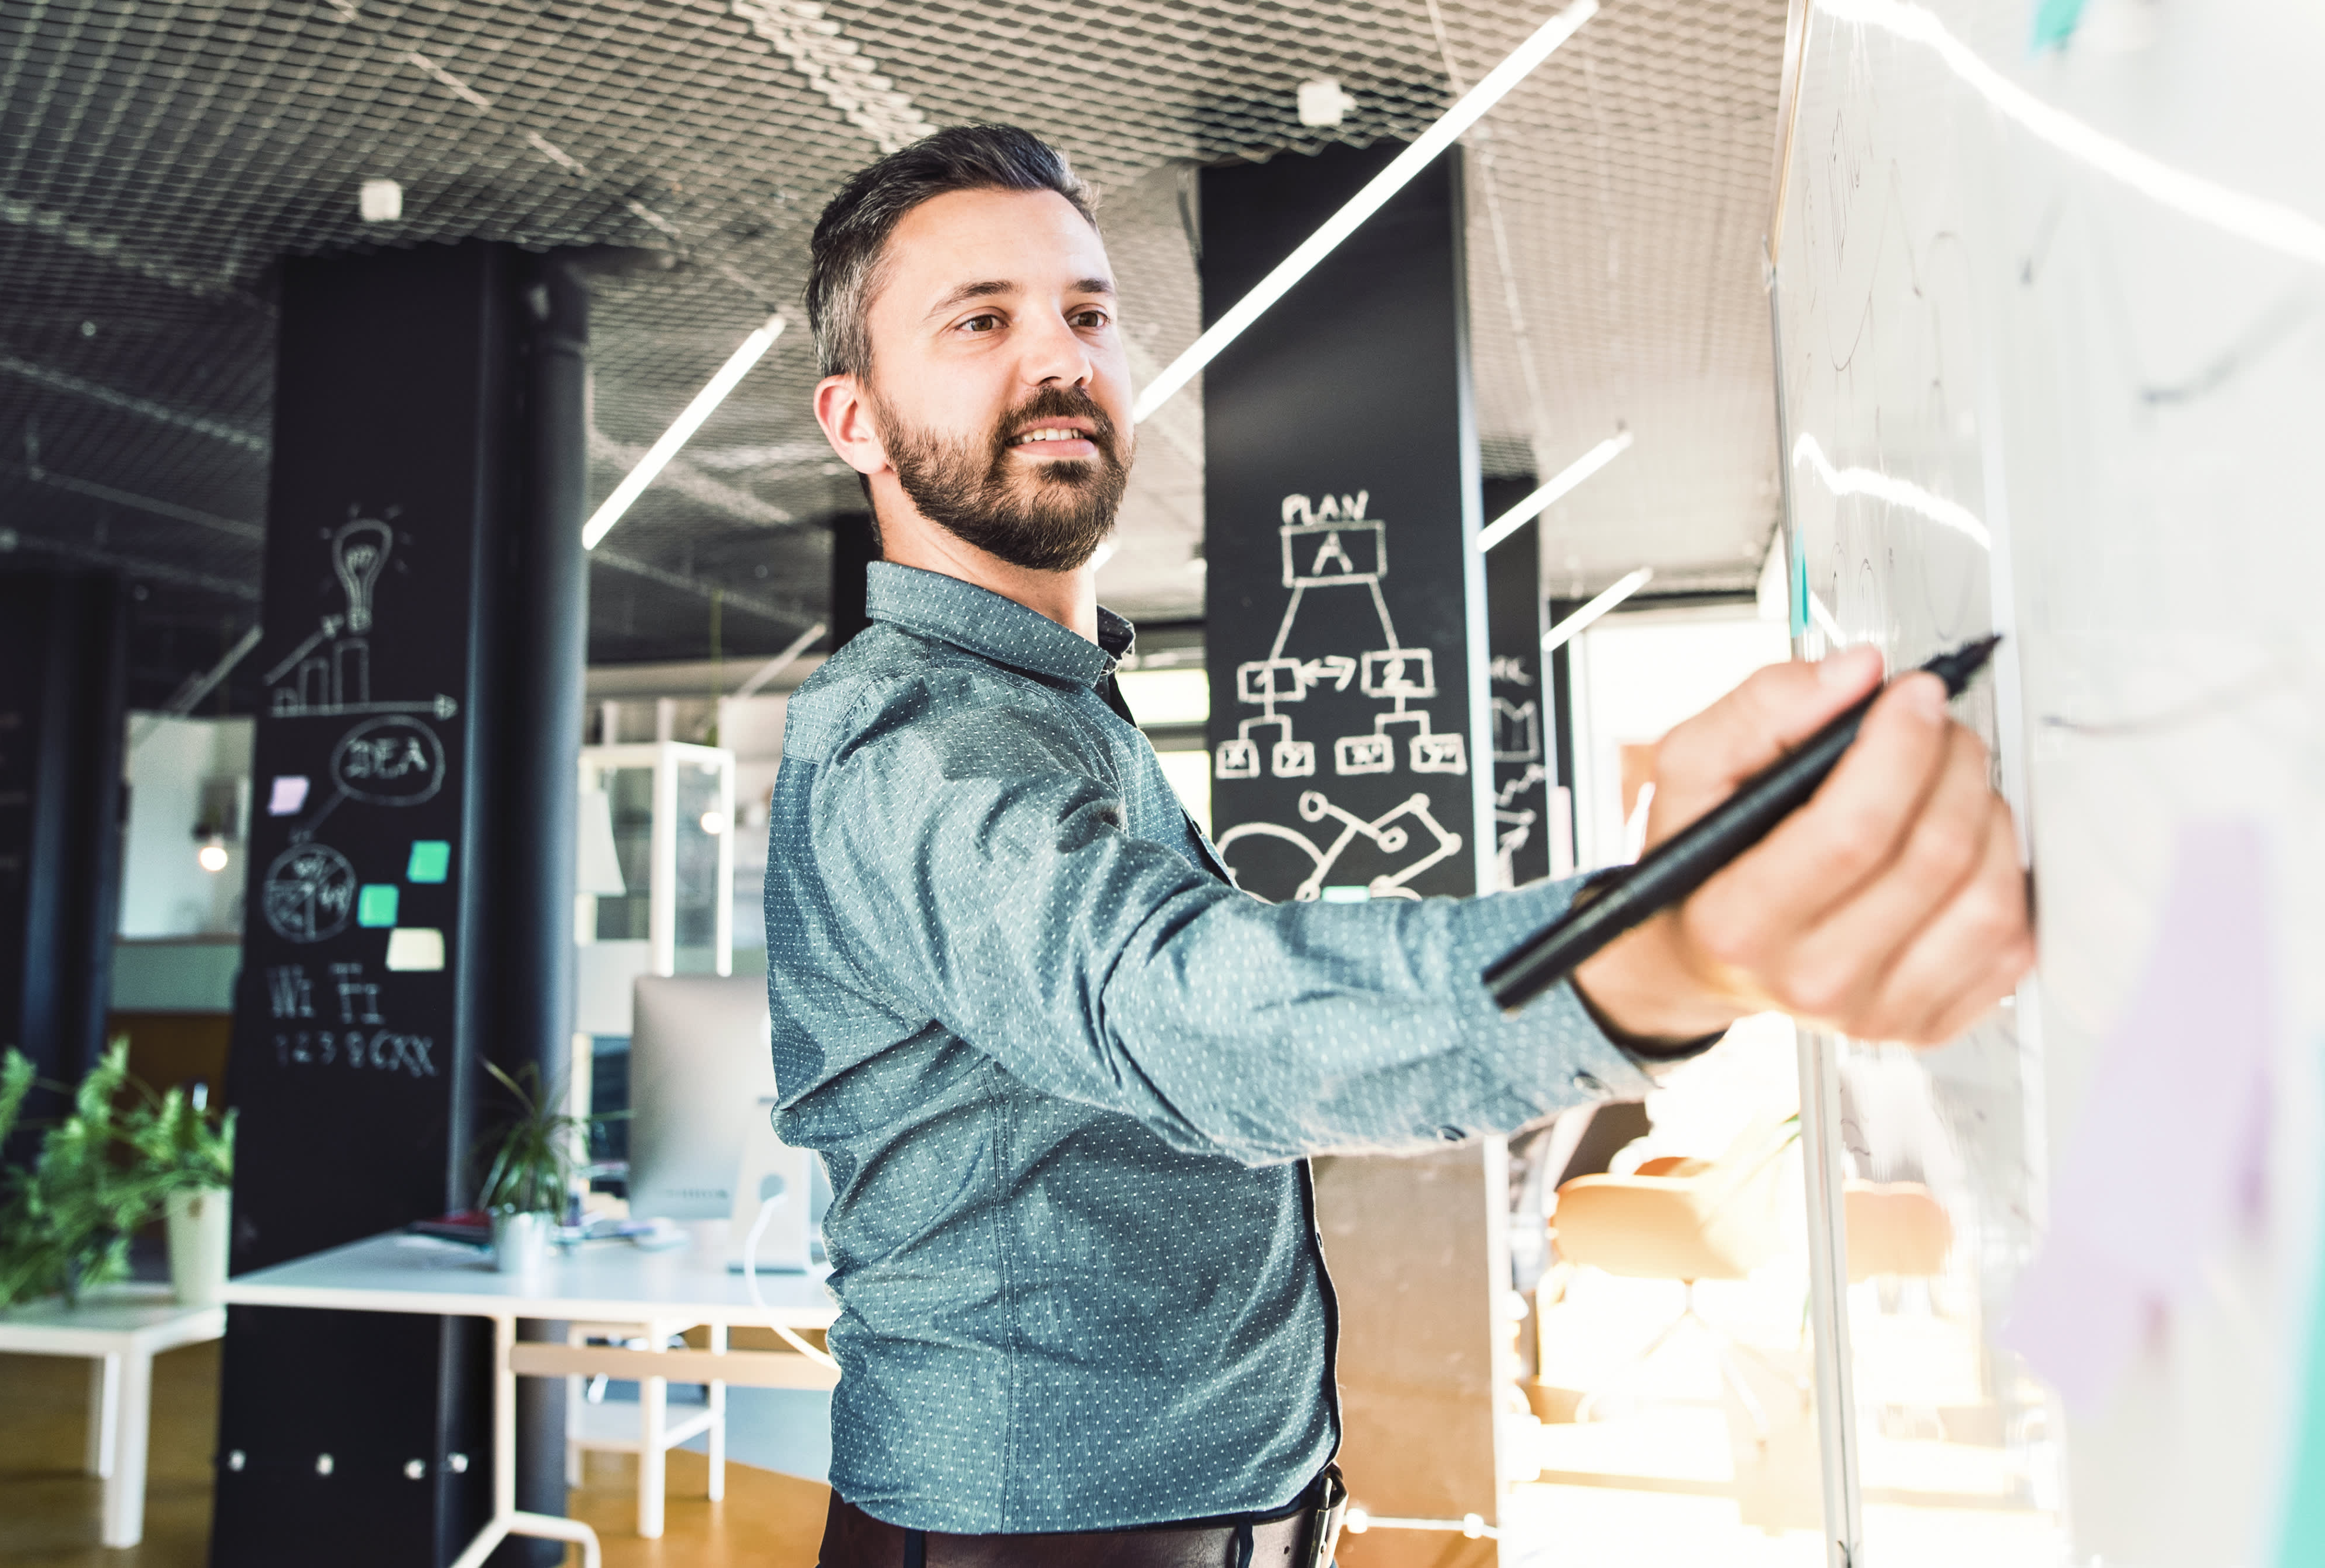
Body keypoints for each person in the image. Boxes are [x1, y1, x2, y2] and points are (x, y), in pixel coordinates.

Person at [767, 125, 2033, 1568]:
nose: (1058, 357)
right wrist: (1651, 956)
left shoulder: (1061, 710)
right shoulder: (908, 736)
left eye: (1086, 312)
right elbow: (1175, 1013)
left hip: (1222, 1514)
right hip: (1032, 1538)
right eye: (980, 320)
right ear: (854, 420)